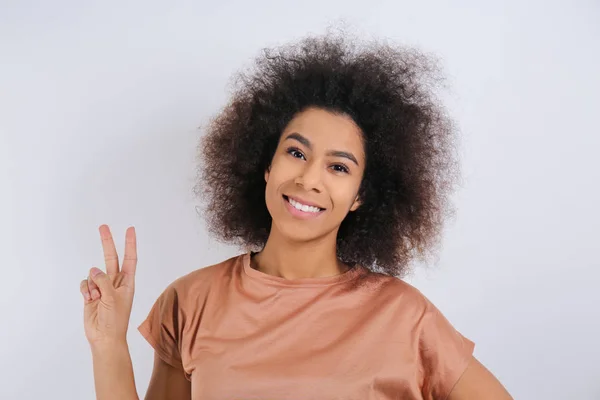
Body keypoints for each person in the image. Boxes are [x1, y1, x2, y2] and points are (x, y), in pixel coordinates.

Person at [80, 30, 513, 399]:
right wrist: (108, 344)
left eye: (339, 167)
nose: (309, 178)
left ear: (361, 194)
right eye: (296, 152)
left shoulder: (403, 314)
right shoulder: (191, 301)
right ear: (267, 164)